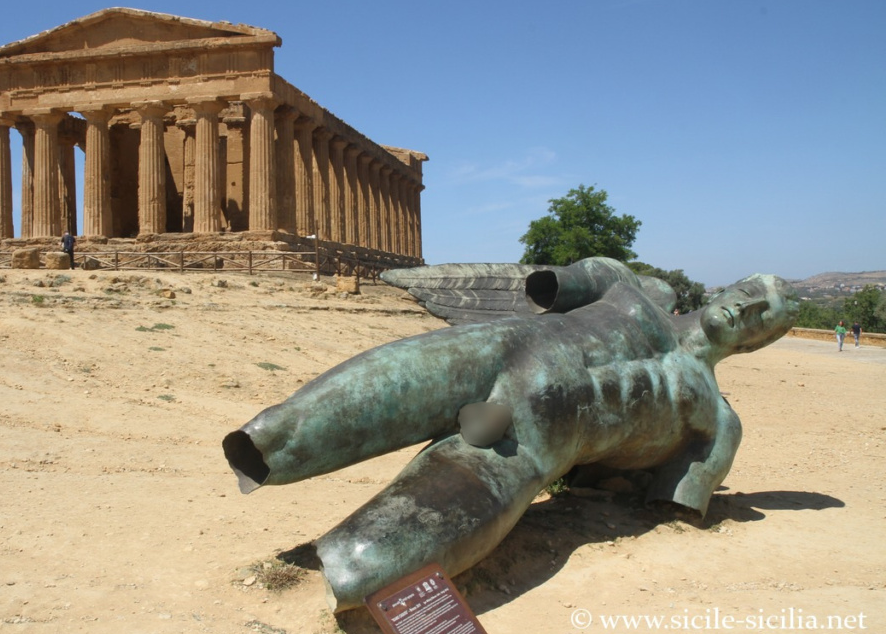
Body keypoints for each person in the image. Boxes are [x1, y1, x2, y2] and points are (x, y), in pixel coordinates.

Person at [223, 258, 800, 611]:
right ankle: (263, 453)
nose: (743, 309)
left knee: (375, 557)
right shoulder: (639, 288)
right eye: (748, 293)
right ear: (731, 285)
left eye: (761, 315)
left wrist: (618, 470)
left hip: (536, 441)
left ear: (760, 340)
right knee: (307, 421)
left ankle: (339, 577)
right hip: (498, 350)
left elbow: (662, 498)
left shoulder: (718, 423)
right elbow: (551, 286)